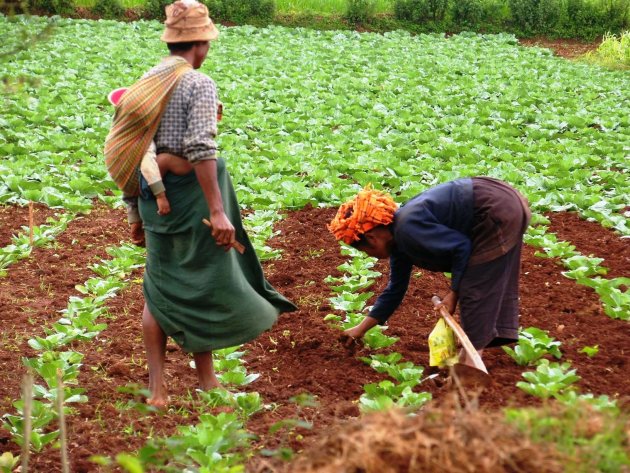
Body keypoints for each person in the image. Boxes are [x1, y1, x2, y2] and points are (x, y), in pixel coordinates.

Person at [104, 0, 296, 408]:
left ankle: (160, 390)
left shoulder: (148, 80)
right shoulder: (198, 83)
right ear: (202, 43)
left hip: (156, 201)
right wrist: (217, 209)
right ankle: (206, 381)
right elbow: (201, 148)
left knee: (159, 289)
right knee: (202, 283)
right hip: (192, 200)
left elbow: (131, 147)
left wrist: (134, 212)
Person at [328, 177, 531, 371]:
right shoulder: (400, 243)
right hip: (503, 203)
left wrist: (453, 294)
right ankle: (472, 358)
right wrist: (360, 329)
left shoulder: (408, 228)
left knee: (473, 287)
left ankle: (471, 366)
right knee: (478, 280)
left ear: (372, 238)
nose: (370, 255)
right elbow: (395, 291)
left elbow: (461, 248)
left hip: (494, 208)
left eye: (365, 251)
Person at [108, 87, 223, 217]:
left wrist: (157, 198)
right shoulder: (142, 133)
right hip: (153, 181)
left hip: (148, 181)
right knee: (164, 159)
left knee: (167, 158)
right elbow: (146, 164)